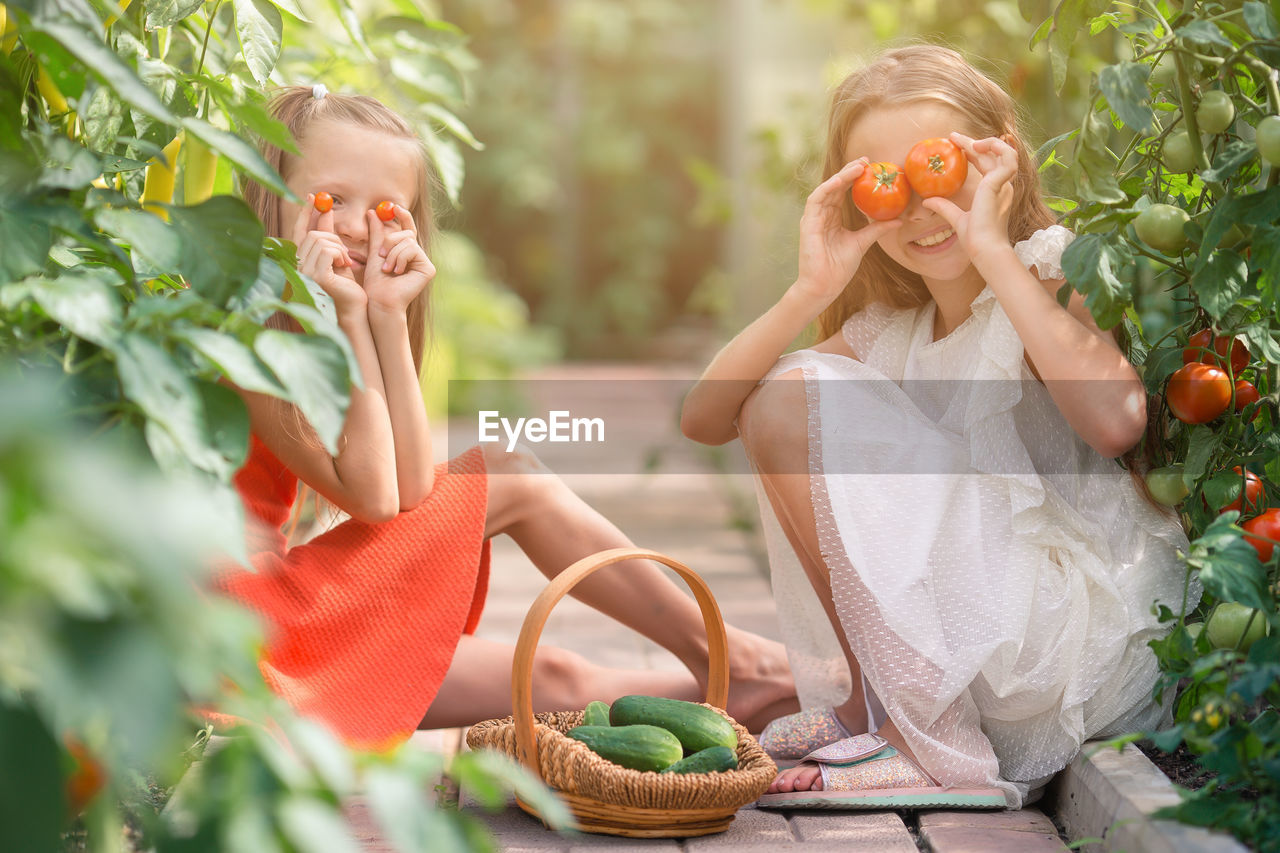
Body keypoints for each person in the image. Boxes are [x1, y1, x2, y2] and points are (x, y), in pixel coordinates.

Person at [680, 45, 1193, 809]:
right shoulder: (897, 330)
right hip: (983, 649)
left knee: (793, 397)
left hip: (1082, 636)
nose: (920, 207)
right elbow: (706, 417)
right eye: (886, 185)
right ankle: (878, 709)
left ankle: (931, 746)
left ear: (997, 163)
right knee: (782, 399)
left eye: (939, 170)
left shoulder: (1053, 269)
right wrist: (809, 288)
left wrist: (993, 247)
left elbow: (1116, 423)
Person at [218, 85, 797, 751]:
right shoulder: (241, 325)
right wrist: (357, 318)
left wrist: (383, 314)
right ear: (271, 190)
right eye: (329, 199)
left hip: (290, 628)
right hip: (245, 633)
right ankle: (742, 658)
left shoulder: (312, 315)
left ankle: (781, 687)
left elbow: (412, 491)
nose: (355, 226)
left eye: (383, 211)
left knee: (556, 676)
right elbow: (379, 500)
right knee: (506, 470)